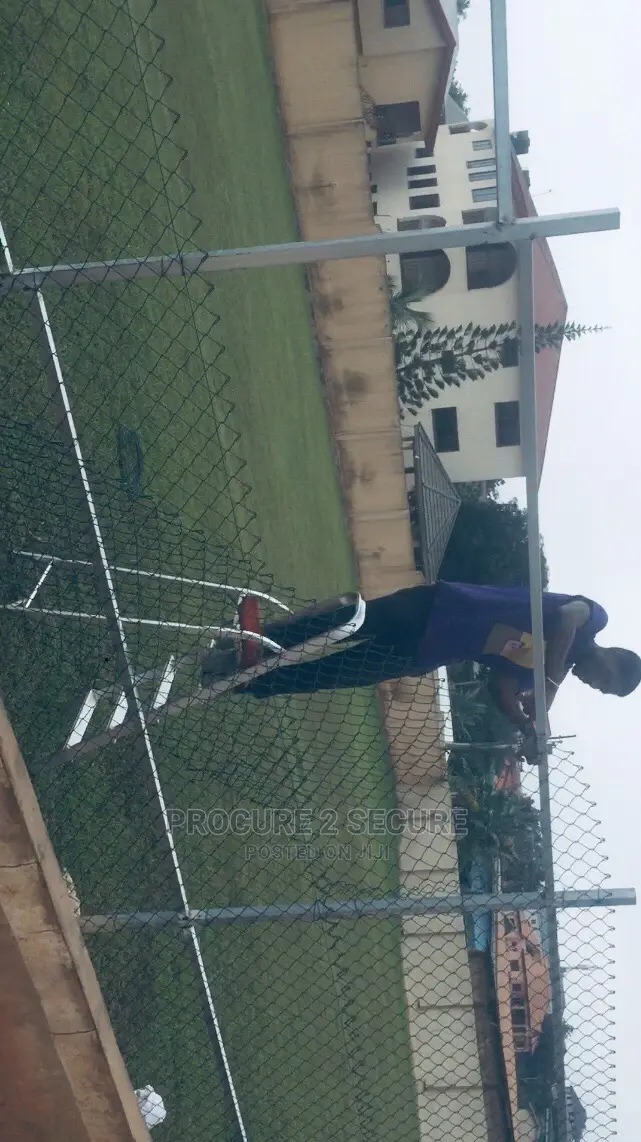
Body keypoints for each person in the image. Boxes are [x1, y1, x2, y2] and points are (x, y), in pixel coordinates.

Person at [202, 582, 641, 729]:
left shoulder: (535, 677)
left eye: (601, 689)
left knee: (325, 673)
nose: (594, 682)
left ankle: (236, 683)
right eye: (604, 676)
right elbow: (567, 616)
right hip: (435, 606)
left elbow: (501, 685)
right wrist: (551, 686)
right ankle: (237, 648)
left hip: (421, 654)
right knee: (336, 626)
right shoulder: (592, 620)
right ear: (614, 654)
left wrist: (525, 724)